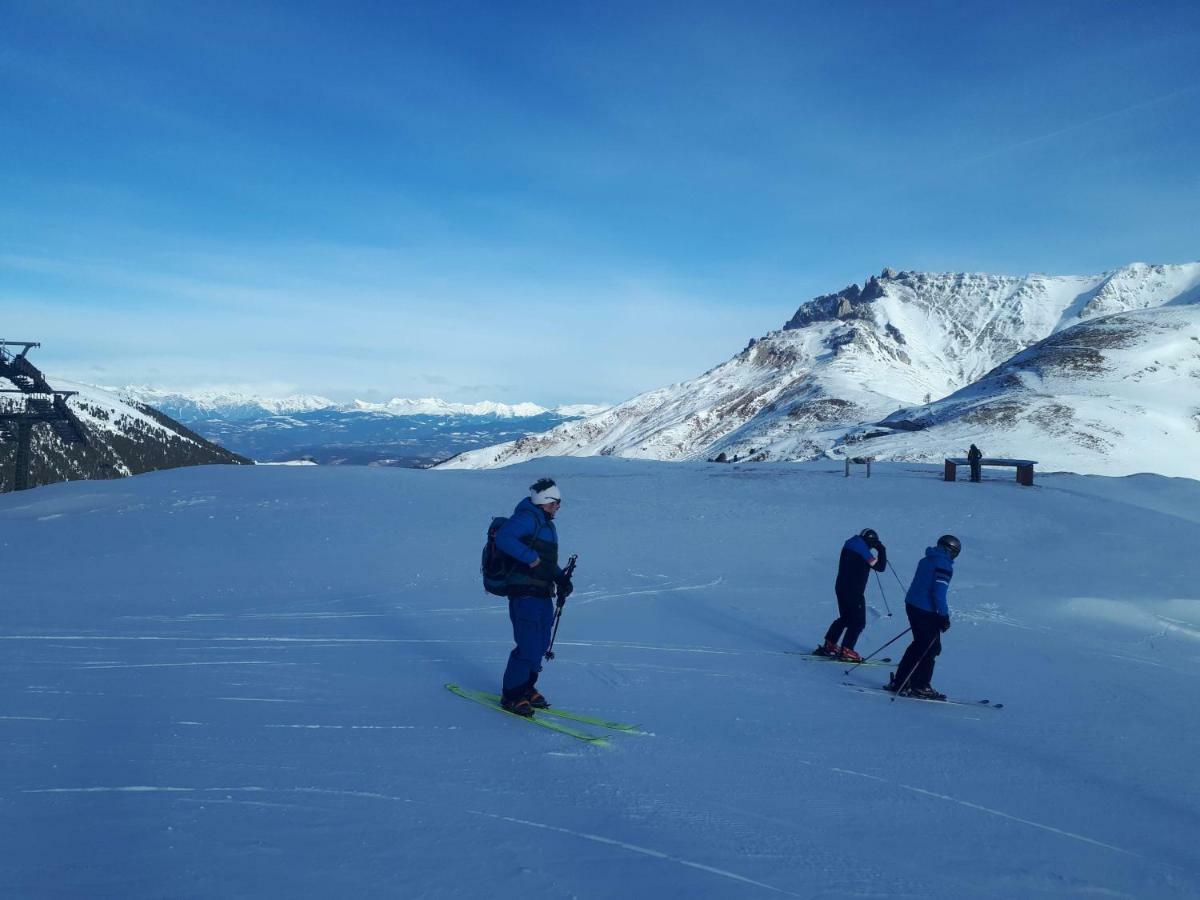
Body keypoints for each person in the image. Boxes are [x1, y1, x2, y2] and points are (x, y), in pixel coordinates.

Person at [495, 478, 574, 717]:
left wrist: (561, 578)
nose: (559, 506)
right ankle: (512, 695)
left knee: (540, 644)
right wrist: (529, 557)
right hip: (524, 592)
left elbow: (546, 561)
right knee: (528, 644)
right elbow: (504, 538)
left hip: (542, 592)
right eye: (556, 502)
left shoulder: (546, 525)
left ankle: (527, 688)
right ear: (546, 502)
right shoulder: (527, 517)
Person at [888, 534, 961, 700]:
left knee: (920, 645)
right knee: (931, 647)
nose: (955, 556)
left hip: (913, 605)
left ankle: (901, 681)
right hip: (925, 609)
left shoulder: (927, 559)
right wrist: (943, 616)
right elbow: (938, 593)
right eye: (955, 552)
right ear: (950, 550)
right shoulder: (944, 565)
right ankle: (920, 685)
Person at [814, 528, 887, 662]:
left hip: (841, 587)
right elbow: (880, 567)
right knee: (858, 622)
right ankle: (847, 649)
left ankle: (830, 644)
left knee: (846, 618)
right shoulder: (863, 551)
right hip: (854, 591)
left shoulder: (850, 544)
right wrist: (882, 550)